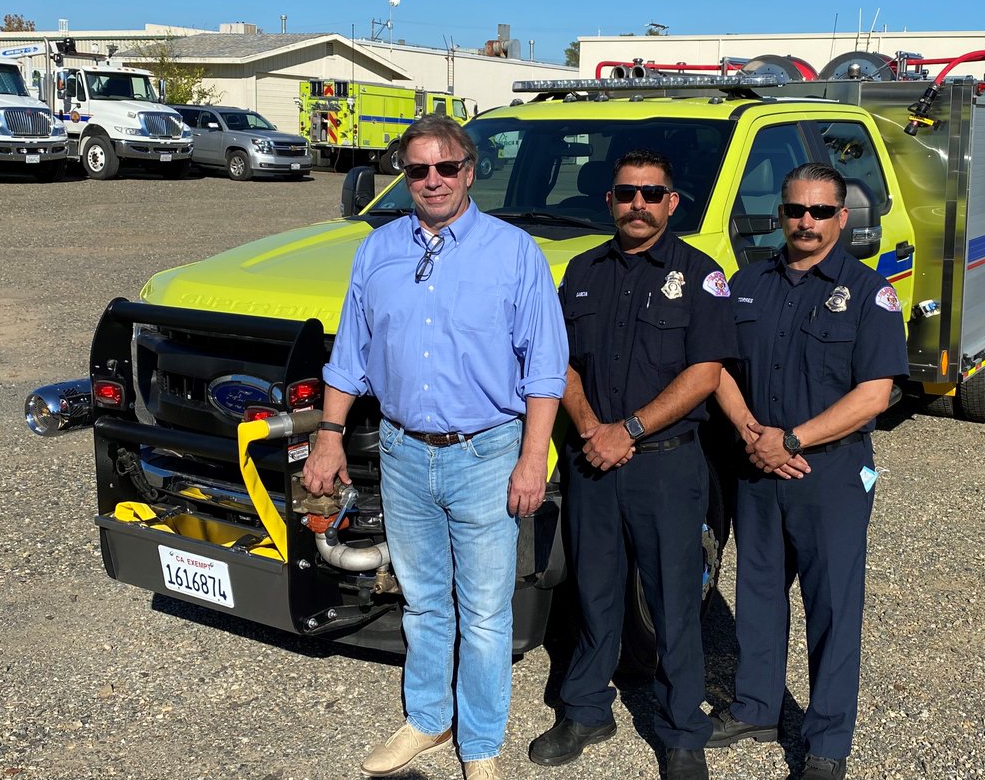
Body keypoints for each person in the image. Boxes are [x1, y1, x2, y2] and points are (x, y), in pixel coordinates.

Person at [302, 114, 568, 780]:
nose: (432, 181)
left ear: (470, 171)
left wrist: (533, 458)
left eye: (446, 167)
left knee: (483, 611)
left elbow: (544, 369)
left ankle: (479, 746)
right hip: (402, 451)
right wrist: (329, 437)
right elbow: (350, 356)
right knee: (422, 600)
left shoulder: (513, 253)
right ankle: (428, 719)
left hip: (486, 452)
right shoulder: (378, 250)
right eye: (417, 170)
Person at [528, 149, 736, 780]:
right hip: (593, 460)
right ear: (611, 200)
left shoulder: (701, 276)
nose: (638, 205)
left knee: (674, 602)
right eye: (626, 194)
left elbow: (706, 373)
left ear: (672, 203)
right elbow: (555, 358)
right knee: (592, 592)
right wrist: (592, 427)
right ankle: (587, 709)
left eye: (651, 194)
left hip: (665, 468)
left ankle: (680, 732)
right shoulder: (583, 270)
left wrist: (632, 429)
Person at [708, 162, 908, 780]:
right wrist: (752, 434)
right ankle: (757, 707)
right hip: (759, 467)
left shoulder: (868, 293)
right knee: (760, 594)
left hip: (830, 475)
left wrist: (791, 438)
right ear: (781, 214)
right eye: (796, 210)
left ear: (842, 218)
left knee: (832, 607)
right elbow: (717, 366)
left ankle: (826, 744)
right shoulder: (748, 285)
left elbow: (875, 394)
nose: (806, 222)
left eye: (821, 212)